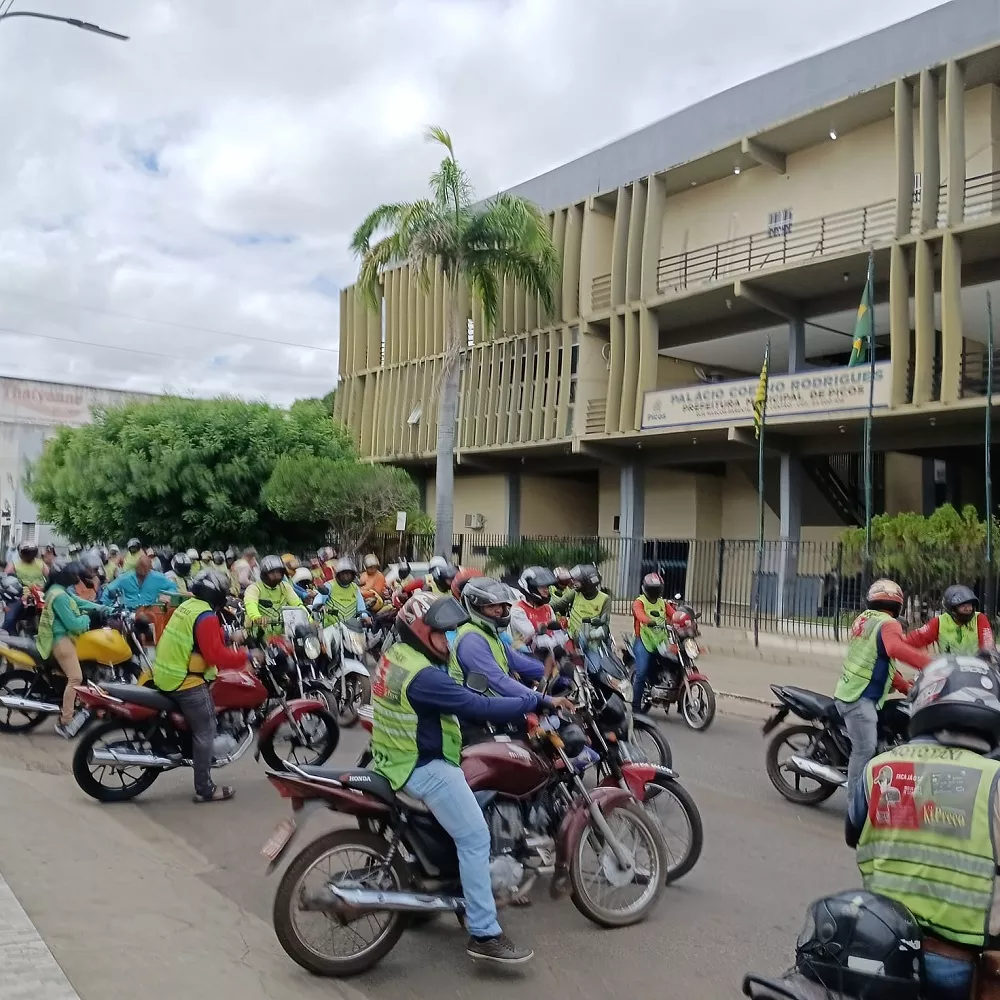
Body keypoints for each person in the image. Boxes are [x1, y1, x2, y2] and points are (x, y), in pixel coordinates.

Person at [370, 593, 569, 964]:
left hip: (391, 758)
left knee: (480, 797)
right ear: (419, 633)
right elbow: (479, 705)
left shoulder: (396, 657)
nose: (449, 642)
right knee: (475, 837)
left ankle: (457, 887)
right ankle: (484, 932)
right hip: (422, 766)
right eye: (442, 635)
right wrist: (537, 702)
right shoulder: (425, 676)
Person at [845, 654, 1000, 999]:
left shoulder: (877, 768)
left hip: (880, 945)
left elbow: (852, 834)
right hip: (956, 959)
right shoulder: (995, 780)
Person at [151, 569, 257, 803]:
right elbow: (214, 655)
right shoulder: (206, 615)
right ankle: (205, 788)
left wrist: (231, 638)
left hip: (166, 673)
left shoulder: (190, 607)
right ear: (216, 593)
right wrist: (246, 657)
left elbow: (201, 638)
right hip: (183, 680)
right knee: (206, 728)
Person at [834, 579, 931, 800]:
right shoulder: (889, 623)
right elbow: (895, 648)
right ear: (899, 605)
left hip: (851, 691)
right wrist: (931, 665)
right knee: (864, 749)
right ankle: (855, 803)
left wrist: (907, 688)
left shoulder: (865, 619)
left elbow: (883, 665)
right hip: (859, 699)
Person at [36, 560, 106, 739]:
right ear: (64, 576)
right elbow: (73, 624)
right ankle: (66, 720)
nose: (77, 578)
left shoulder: (59, 591)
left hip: (62, 638)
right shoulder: (59, 596)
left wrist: (106, 608)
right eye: (74, 575)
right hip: (60, 640)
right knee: (75, 677)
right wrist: (88, 619)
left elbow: (79, 603)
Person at [452, 577, 552, 699]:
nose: (498, 610)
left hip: (496, 704)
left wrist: (556, 673)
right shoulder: (471, 639)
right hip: (480, 711)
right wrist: (545, 700)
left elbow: (521, 663)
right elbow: (498, 681)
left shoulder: (489, 634)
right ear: (476, 608)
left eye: (500, 605)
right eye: (491, 606)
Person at [631, 572, 678, 711]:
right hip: (643, 641)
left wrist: (684, 619)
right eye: (652, 590)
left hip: (660, 641)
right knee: (641, 672)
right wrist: (648, 620)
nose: (654, 592)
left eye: (657, 589)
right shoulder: (639, 602)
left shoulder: (662, 603)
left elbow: (674, 614)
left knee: (676, 662)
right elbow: (639, 614)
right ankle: (635, 709)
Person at [904, 584, 995, 656]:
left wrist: (987, 654)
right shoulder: (939, 622)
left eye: (970, 604)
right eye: (962, 605)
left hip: (976, 671)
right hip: (949, 672)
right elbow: (917, 638)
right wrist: (898, 641)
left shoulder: (979, 618)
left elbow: (987, 644)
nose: (968, 608)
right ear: (952, 608)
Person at [554, 564, 610, 672]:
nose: (574, 582)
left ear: (587, 584)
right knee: (566, 668)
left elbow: (605, 627)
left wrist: (591, 635)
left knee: (595, 670)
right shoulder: (575, 594)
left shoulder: (605, 599)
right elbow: (557, 605)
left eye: (577, 581)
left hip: (592, 644)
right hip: (571, 641)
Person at [243, 554, 303, 636]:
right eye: (273, 573)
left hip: (284, 633)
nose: (276, 575)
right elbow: (251, 604)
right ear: (265, 574)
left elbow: (298, 605)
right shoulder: (254, 588)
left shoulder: (285, 586)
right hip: (258, 634)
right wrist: (257, 617)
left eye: (279, 572)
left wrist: (310, 620)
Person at [101, 552, 177, 610]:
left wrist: (168, 596)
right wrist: (104, 607)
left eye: (146, 570)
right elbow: (108, 590)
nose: (142, 572)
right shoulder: (125, 578)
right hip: (129, 613)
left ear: (150, 568)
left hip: (150, 612)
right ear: (136, 567)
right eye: (140, 569)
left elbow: (172, 586)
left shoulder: (157, 578)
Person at [509, 566, 558, 650]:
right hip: (525, 654)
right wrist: (545, 626)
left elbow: (554, 631)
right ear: (531, 588)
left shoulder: (547, 608)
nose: (546, 590)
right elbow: (530, 632)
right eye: (542, 587)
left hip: (549, 653)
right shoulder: (518, 610)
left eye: (547, 587)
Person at [3, 541, 46, 632]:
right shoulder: (14, 564)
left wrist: (45, 587)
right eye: (27, 552)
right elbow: (6, 581)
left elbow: (51, 576)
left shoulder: (40, 563)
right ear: (21, 553)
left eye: (32, 552)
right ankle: (10, 638)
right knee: (9, 619)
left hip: (41, 594)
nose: (29, 554)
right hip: (20, 595)